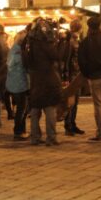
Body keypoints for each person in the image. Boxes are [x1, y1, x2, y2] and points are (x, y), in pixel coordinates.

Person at [21, 18, 62, 146]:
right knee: (49, 108)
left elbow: (25, 62)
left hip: (35, 79)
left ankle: (35, 137)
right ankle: (51, 137)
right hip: (47, 79)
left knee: (35, 109)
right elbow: (57, 56)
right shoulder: (46, 44)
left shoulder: (28, 44)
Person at [60, 18, 85, 136]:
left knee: (75, 101)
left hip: (77, 74)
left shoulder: (76, 40)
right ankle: (68, 125)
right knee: (70, 101)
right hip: (72, 75)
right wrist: (66, 77)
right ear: (78, 28)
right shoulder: (70, 42)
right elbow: (66, 60)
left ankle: (72, 124)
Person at [5, 29, 30, 140]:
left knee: (22, 108)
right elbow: (12, 64)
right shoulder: (17, 51)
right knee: (21, 108)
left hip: (17, 82)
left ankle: (21, 130)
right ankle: (18, 131)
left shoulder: (15, 49)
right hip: (18, 83)